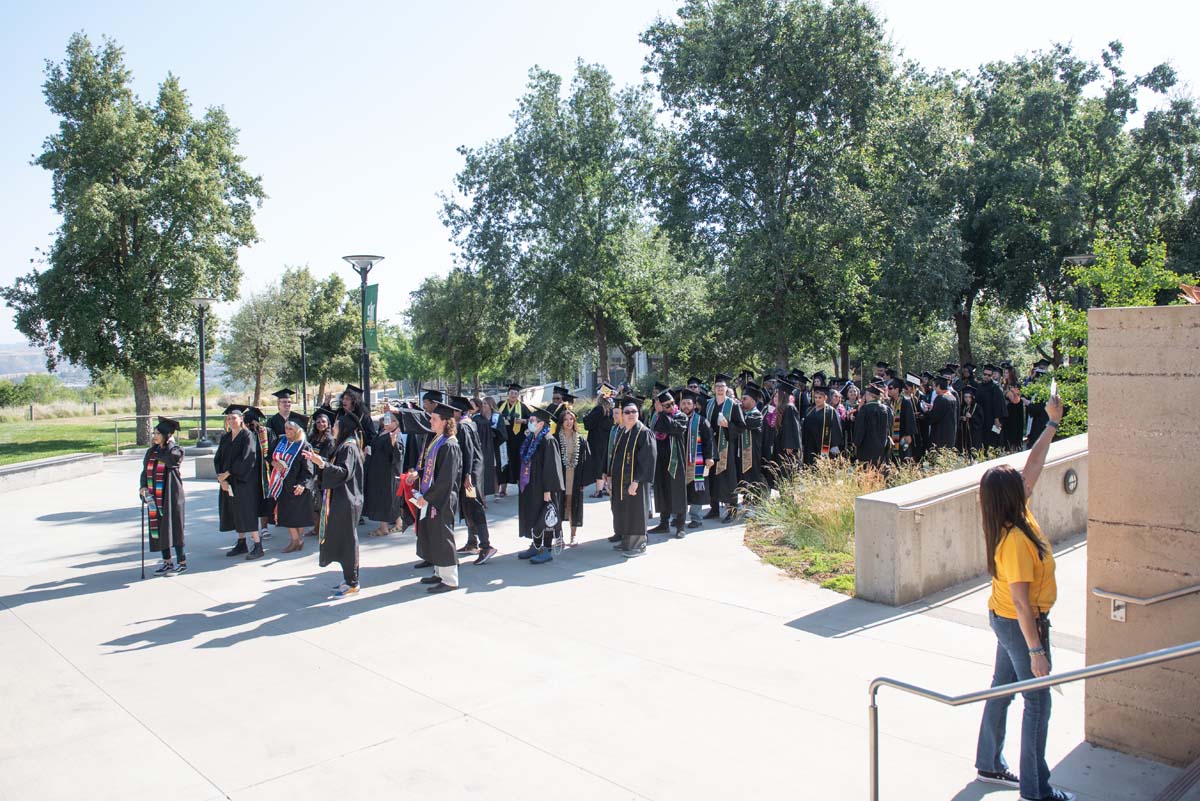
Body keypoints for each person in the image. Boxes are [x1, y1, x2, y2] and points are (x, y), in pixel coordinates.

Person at [973, 395, 1070, 801]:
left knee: (1001, 688)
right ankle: (1036, 791)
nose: (1026, 482)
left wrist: (1050, 425)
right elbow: (1024, 603)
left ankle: (989, 763)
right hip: (1020, 624)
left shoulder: (1015, 514)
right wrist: (1035, 651)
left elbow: (1032, 467)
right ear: (1013, 495)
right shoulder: (1014, 539)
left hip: (1006, 618)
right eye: (1020, 484)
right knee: (1037, 703)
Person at [304, 413, 365, 598]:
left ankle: (353, 582)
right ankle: (348, 579)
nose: (333, 428)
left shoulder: (349, 447)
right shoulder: (343, 446)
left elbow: (344, 473)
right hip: (341, 498)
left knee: (348, 541)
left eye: (336, 425)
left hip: (347, 500)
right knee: (342, 540)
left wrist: (321, 463)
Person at [405, 401, 464, 593]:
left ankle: (450, 579)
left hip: (443, 498)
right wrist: (419, 473)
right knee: (433, 535)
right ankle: (439, 572)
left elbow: (446, 479)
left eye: (434, 418)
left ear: (446, 422)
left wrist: (427, 497)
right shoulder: (438, 440)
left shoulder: (450, 445)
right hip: (434, 496)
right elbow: (433, 469)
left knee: (442, 536)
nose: (430, 420)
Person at [215, 405, 266, 560]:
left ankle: (258, 546)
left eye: (234, 418)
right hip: (228, 482)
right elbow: (218, 458)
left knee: (246, 512)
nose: (231, 420)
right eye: (229, 418)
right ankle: (241, 542)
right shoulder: (225, 437)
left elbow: (248, 458)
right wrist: (221, 478)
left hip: (244, 481)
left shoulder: (248, 436)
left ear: (241, 419)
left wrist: (228, 473)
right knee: (234, 511)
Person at [516, 406, 565, 564]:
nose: (529, 423)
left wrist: (548, 490)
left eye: (532, 421)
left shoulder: (548, 440)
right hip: (531, 485)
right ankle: (535, 545)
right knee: (534, 515)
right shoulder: (531, 438)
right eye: (529, 420)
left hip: (544, 487)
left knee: (546, 517)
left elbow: (552, 467)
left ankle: (547, 549)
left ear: (542, 424)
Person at [608, 398, 656, 557]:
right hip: (621, 482)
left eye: (633, 412)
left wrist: (636, 481)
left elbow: (648, 460)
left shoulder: (643, 432)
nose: (630, 415)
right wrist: (610, 477)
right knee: (624, 511)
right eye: (627, 412)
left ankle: (639, 545)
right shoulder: (623, 431)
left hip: (636, 483)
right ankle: (627, 542)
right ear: (622, 415)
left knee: (636, 512)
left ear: (638, 413)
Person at [450, 395, 495, 564]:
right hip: (472, 472)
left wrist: (467, 474)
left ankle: (486, 546)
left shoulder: (463, 426)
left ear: (458, 411)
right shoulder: (469, 423)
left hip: (471, 476)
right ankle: (472, 542)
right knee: (467, 505)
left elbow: (468, 451)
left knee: (474, 506)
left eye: (452, 411)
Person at [141, 417, 186, 575]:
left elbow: (170, 460)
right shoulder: (151, 451)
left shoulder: (176, 450)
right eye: (154, 433)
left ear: (167, 435)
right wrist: (143, 487)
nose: (155, 436)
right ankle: (167, 562)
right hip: (155, 497)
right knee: (160, 528)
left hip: (171, 496)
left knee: (174, 527)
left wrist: (170, 444)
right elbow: (145, 471)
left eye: (159, 433)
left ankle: (181, 562)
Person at [270, 414, 316, 553]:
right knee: (287, 515)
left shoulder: (304, 446)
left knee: (298, 516)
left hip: (298, 486)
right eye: (286, 428)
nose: (287, 431)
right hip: (283, 484)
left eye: (290, 429)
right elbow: (268, 456)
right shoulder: (281, 441)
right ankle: (296, 540)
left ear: (298, 430)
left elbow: (308, 469)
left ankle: (296, 541)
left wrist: (303, 484)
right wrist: (274, 463)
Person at [705, 373, 746, 522]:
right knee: (712, 477)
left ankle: (732, 510)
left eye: (722, 386)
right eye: (717, 386)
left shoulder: (733, 405)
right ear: (714, 388)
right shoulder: (709, 404)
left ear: (726, 388)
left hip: (727, 447)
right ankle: (714, 508)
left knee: (728, 478)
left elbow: (741, 426)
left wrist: (728, 425)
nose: (720, 389)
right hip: (711, 446)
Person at [649, 388, 689, 538]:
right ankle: (663, 523)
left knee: (677, 491)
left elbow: (674, 428)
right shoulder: (658, 417)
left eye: (671, 403)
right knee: (662, 490)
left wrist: (663, 413)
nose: (670, 407)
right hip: (661, 459)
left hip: (676, 460)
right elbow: (658, 429)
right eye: (666, 405)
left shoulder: (681, 416)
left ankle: (680, 526)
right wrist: (661, 414)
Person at [363, 405, 405, 537]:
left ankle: (383, 527)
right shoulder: (383, 432)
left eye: (389, 419)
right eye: (385, 419)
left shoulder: (395, 435)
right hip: (379, 472)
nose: (385, 421)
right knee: (387, 499)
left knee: (385, 500)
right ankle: (398, 523)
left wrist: (394, 445)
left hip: (387, 473)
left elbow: (398, 455)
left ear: (396, 423)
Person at [556, 407, 592, 546]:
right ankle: (559, 536)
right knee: (559, 506)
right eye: (565, 419)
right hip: (560, 478)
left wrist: (583, 480)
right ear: (561, 422)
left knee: (573, 506)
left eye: (571, 419)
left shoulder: (580, 440)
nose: (569, 422)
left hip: (574, 478)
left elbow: (586, 460)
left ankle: (573, 536)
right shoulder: (555, 439)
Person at [678, 389, 713, 529]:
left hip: (696, 463)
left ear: (694, 405)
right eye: (683, 403)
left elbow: (709, 441)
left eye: (689, 403)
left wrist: (709, 457)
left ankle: (696, 518)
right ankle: (678, 517)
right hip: (680, 462)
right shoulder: (676, 420)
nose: (686, 406)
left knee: (697, 491)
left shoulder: (702, 421)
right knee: (678, 489)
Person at [304, 406, 337, 537]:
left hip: (324, 475)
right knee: (314, 504)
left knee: (323, 504)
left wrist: (315, 459)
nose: (321, 424)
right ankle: (316, 528)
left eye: (323, 422)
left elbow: (327, 458)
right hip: (312, 473)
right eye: (318, 422)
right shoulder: (312, 438)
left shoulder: (330, 440)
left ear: (328, 424)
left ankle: (325, 529)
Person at [734, 382, 766, 510]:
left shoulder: (756, 414)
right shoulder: (745, 413)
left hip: (753, 452)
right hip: (742, 451)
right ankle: (747, 500)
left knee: (753, 476)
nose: (742, 401)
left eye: (744, 399)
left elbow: (744, 424)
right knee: (744, 476)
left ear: (752, 400)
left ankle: (757, 501)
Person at [497, 383, 530, 496]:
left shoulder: (523, 407)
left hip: (517, 440)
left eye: (516, 393)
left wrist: (523, 421)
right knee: (504, 463)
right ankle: (503, 489)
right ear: (508, 394)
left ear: (518, 395)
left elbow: (531, 419)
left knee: (517, 462)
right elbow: (495, 417)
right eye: (511, 393)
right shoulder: (501, 405)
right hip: (503, 439)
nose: (513, 395)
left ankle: (520, 486)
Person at [801, 383, 844, 465]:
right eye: (816, 397)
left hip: (824, 445)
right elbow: (805, 427)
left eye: (820, 398)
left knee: (822, 465)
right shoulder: (810, 410)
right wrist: (803, 442)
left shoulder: (830, 411)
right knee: (809, 464)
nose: (817, 400)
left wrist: (835, 445)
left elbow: (836, 428)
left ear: (825, 398)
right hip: (810, 444)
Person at [582, 391, 614, 498]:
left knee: (598, 466)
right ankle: (606, 487)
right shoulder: (611, 411)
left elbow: (588, 424)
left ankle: (599, 491)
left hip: (597, 442)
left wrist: (585, 416)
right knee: (605, 465)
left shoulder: (598, 410)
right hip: (607, 441)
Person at [852, 384, 892, 468]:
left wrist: (856, 443)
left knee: (868, 470)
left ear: (871, 395)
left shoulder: (865, 409)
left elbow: (860, 428)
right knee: (880, 471)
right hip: (882, 446)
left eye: (866, 395)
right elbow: (890, 428)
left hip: (866, 447)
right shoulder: (886, 409)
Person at [474, 396, 505, 499]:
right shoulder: (477, 417)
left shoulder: (497, 417)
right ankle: (483, 496)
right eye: (482, 404)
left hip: (494, 447)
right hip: (482, 447)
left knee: (494, 469)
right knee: (483, 470)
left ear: (491, 405)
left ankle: (496, 491)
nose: (483, 406)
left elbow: (503, 433)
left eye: (485, 404)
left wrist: (493, 437)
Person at [977, 364, 1008, 450]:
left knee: (993, 440)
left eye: (989, 375)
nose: (986, 376)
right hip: (981, 418)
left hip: (992, 419)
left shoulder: (995, 388)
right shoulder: (979, 386)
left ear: (992, 376)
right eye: (985, 374)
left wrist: (997, 419)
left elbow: (999, 404)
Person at [926, 377, 959, 451]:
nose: (934, 388)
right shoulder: (952, 397)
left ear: (938, 386)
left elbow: (934, 417)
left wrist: (926, 412)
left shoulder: (940, 398)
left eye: (935, 386)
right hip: (950, 434)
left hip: (940, 435)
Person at [958, 385, 985, 458]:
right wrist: (962, 418)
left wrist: (972, 417)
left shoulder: (977, 407)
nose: (967, 399)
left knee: (974, 451)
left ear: (972, 397)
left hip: (974, 434)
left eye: (969, 397)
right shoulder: (963, 407)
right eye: (965, 397)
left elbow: (981, 420)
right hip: (965, 434)